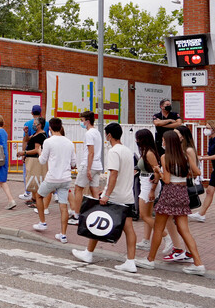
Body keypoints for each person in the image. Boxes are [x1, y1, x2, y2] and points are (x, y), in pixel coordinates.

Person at [73, 122, 139, 272]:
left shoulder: (114, 152)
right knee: (129, 229)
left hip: (115, 196)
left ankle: (89, 253)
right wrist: (106, 189)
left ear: (109, 135)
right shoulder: (128, 151)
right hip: (127, 195)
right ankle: (130, 261)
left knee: (98, 221)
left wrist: (107, 194)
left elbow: (114, 173)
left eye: (106, 135)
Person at [138, 130, 206, 275]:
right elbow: (197, 173)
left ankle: (150, 260)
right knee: (184, 230)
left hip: (170, 193)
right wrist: (183, 173)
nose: (162, 142)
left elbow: (167, 180)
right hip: (182, 193)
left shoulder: (165, 157)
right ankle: (198, 263)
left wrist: (158, 170)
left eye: (163, 140)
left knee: (158, 227)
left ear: (167, 142)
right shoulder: (185, 155)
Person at [34, 117, 76, 244]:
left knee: (39, 196)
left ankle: (42, 222)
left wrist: (39, 152)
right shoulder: (69, 143)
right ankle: (63, 235)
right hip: (65, 178)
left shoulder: (48, 142)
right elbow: (74, 164)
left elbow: (42, 161)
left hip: (52, 177)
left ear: (50, 128)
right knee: (63, 205)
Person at [134, 128, 165, 252]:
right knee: (147, 214)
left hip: (149, 185)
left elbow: (156, 171)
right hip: (145, 182)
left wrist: (152, 189)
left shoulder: (149, 153)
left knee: (144, 215)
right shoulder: (146, 151)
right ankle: (146, 240)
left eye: (138, 138)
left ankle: (166, 237)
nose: (136, 140)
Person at [70, 110, 103, 222]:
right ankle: (97, 214)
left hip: (89, 164)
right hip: (97, 165)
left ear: (87, 121)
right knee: (95, 190)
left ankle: (76, 214)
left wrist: (88, 169)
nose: (81, 122)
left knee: (78, 188)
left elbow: (91, 152)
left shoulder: (89, 134)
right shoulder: (97, 132)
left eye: (82, 120)